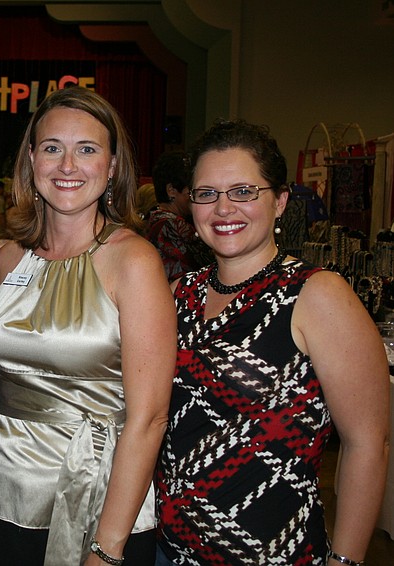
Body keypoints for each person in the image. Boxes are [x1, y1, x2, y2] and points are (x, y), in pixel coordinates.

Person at [156, 119, 390, 565]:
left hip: (272, 555)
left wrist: (346, 561)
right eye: (207, 194)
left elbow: (367, 443)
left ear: (280, 201)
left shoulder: (316, 294)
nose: (224, 209)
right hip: (170, 550)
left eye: (244, 191)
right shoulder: (177, 294)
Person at [0, 86, 177, 565]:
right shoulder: (9, 259)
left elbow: (149, 418)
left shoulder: (133, 262)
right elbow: (12, 380)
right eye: (52, 148)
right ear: (31, 160)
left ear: (111, 167)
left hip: (100, 505)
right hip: (6, 496)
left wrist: (106, 550)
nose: (68, 166)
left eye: (86, 149)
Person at [145, 150, 213, 281]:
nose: (195, 197)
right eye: (191, 191)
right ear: (171, 191)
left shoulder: (152, 217)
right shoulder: (172, 226)